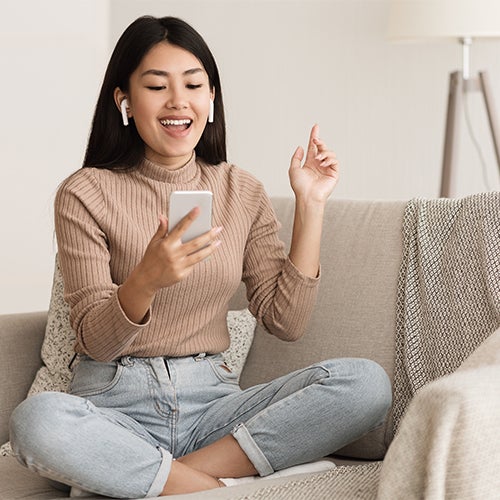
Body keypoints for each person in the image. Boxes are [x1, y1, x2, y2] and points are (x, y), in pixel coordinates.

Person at [9, 15, 391, 498]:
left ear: (211, 99)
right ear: (123, 99)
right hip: (114, 404)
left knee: (365, 384)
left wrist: (310, 205)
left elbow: (286, 322)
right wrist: (145, 280)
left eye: (194, 84)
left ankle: (150, 478)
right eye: (156, 86)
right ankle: (214, 486)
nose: (178, 101)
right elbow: (95, 341)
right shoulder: (85, 192)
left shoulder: (241, 190)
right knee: (37, 421)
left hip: (213, 406)